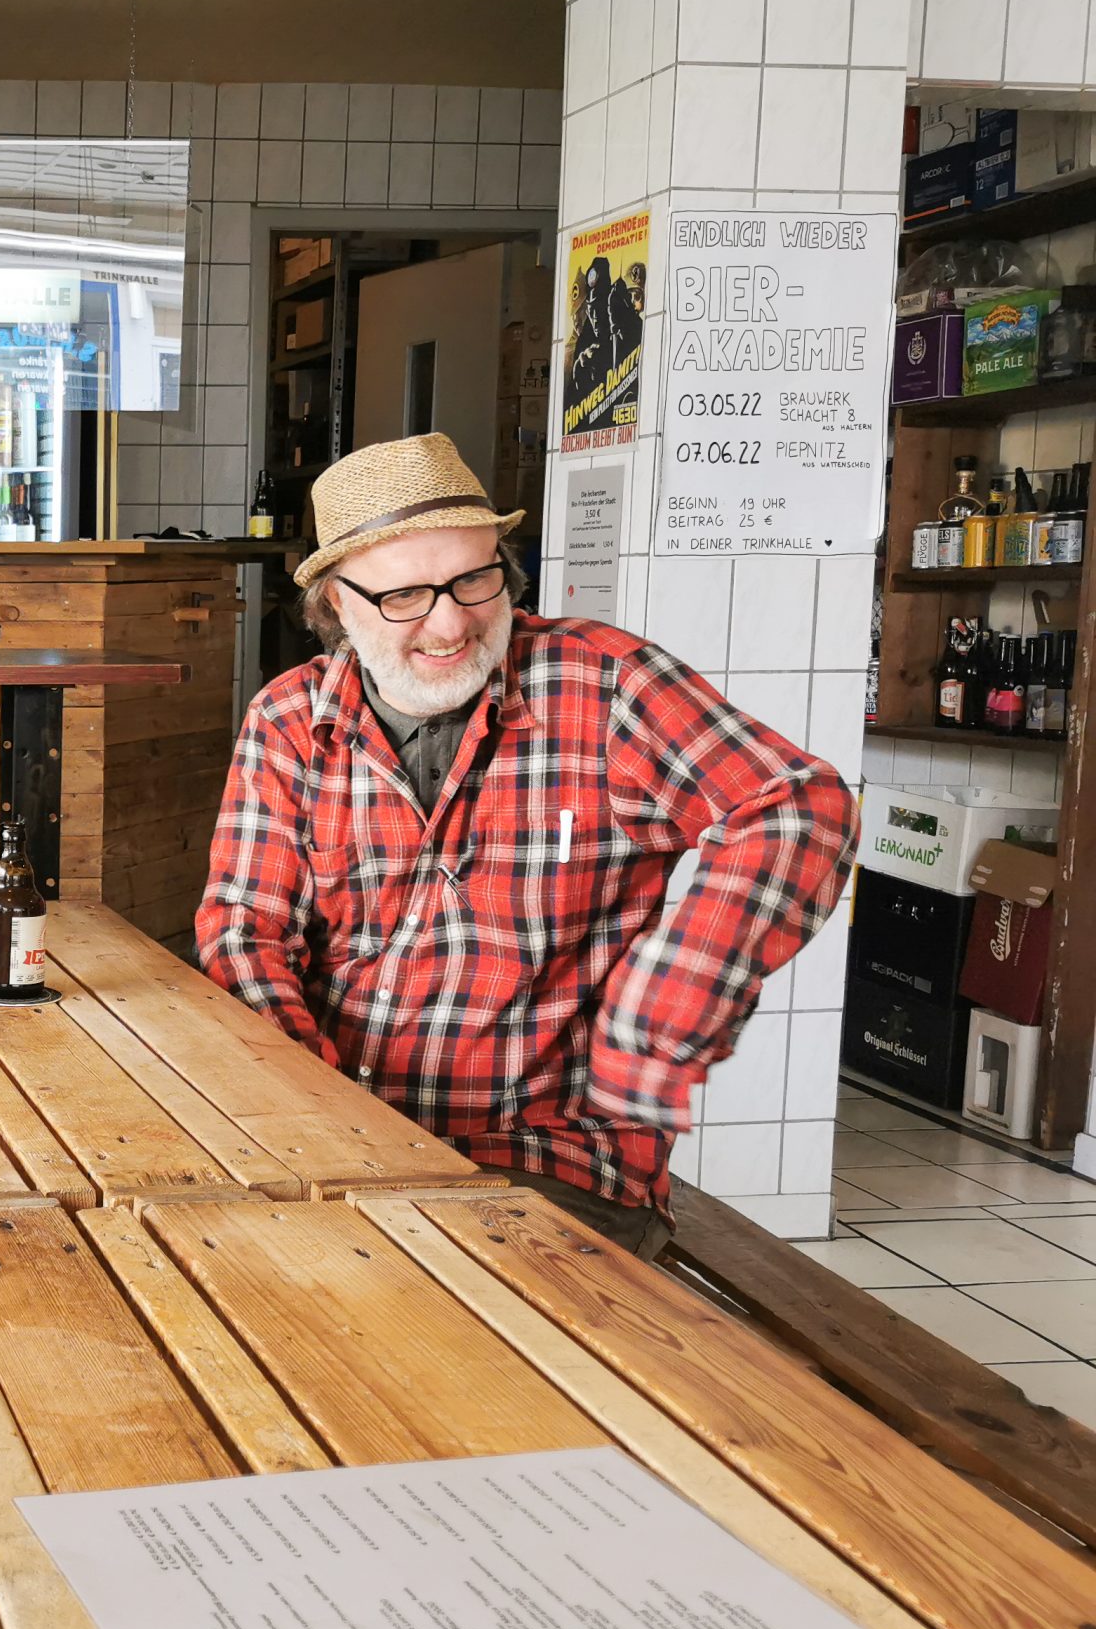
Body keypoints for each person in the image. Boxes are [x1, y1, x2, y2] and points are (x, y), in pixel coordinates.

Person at [195, 433, 854, 1256]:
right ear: (335, 605)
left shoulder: (606, 684)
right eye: (404, 595)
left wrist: (662, 1006)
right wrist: (320, 1113)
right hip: (337, 1139)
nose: (450, 623)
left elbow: (798, 804)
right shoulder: (288, 720)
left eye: (475, 579)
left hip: (546, 1156)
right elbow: (245, 932)